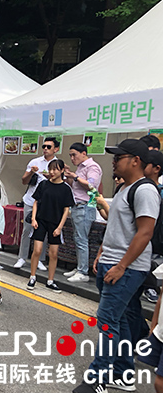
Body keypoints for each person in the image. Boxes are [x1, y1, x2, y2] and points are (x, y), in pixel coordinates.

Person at [73, 139, 159, 393]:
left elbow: (145, 232)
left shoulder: (144, 190)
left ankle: (97, 377)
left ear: (135, 161)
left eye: (119, 157)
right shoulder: (125, 188)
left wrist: (121, 266)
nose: (113, 161)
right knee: (119, 320)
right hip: (114, 263)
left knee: (107, 319)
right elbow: (118, 227)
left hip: (128, 268)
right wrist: (102, 255)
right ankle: (123, 375)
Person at [27, 159, 75, 293]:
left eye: (55, 169)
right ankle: (32, 276)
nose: (52, 172)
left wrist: (60, 227)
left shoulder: (66, 189)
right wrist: (33, 218)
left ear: (62, 171)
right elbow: (36, 202)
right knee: (37, 250)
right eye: (50, 169)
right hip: (41, 220)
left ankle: (50, 280)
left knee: (53, 254)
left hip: (55, 223)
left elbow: (66, 210)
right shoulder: (43, 185)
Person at [14, 138, 59, 270]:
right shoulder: (35, 162)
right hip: (31, 199)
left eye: (49, 147)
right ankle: (22, 257)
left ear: (55, 149)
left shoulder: (57, 164)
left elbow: (60, 181)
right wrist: (31, 172)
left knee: (42, 230)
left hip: (47, 202)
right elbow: (24, 181)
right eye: (44, 146)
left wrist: (50, 176)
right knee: (27, 229)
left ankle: (39, 258)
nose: (45, 149)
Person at [63, 143, 103, 283]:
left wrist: (75, 177)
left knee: (82, 239)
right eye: (70, 155)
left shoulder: (92, 167)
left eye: (74, 154)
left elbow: (91, 185)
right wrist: (69, 176)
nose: (72, 158)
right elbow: (76, 186)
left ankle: (83, 271)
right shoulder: (80, 168)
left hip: (85, 206)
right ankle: (80, 266)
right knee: (78, 238)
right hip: (77, 206)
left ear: (84, 153)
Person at [136, 263, 163, 393]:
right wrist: (154, 326)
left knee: (160, 382)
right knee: (159, 382)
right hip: (160, 332)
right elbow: (161, 298)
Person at [142, 149, 163, 304]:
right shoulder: (138, 187)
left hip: (155, 238)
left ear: (156, 168)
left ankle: (151, 288)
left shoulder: (157, 191)